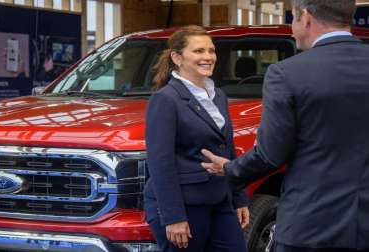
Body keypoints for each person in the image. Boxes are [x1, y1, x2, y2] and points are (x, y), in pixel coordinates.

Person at [201, 0, 369, 251]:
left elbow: (271, 154)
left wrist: (231, 169)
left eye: (293, 19)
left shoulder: (287, 73)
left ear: (306, 17)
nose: (292, 28)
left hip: (311, 227)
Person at [143, 25, 249, 252]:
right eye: (199, 51)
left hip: (219, 200)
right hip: (184, 206)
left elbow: (227, 148)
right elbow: (160, 163)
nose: (208, 57)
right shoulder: (165, 100)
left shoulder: (218, 95)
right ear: (177, 57)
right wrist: (173, 217)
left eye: (211, 51)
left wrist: (239, 198)